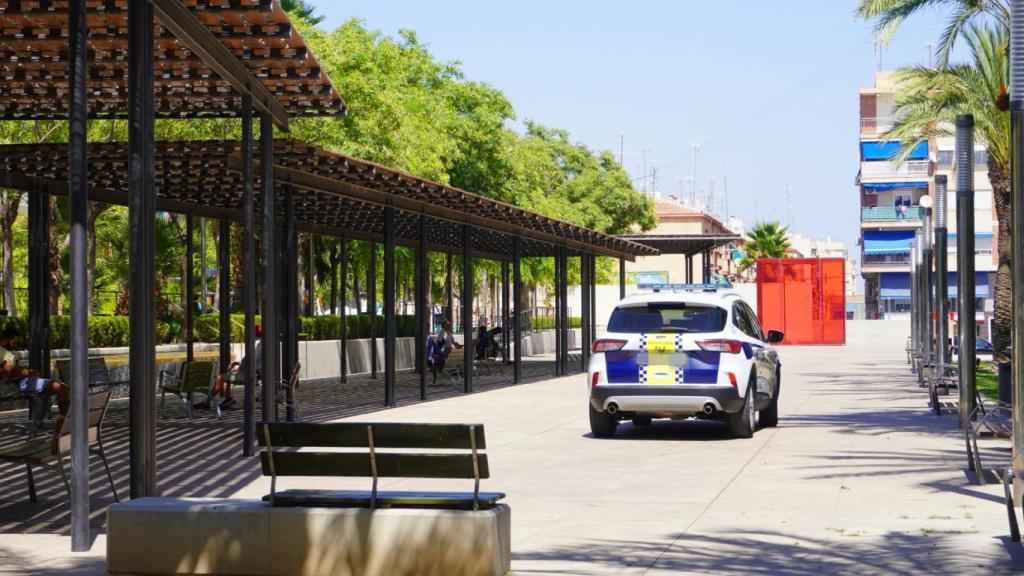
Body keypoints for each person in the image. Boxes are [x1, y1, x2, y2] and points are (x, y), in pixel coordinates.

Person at [0, 327, 69, 423]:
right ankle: (63, 421)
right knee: (62, 389)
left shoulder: (7, 352)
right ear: (6, 339)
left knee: (64, 388)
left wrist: (27, 372)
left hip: (27, 380)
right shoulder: (1, 352)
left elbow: (14, 369)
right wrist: (29, 372)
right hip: (24, 382)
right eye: (14, 342)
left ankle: (64, 419)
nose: (15, 345)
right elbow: (10, 370)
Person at [201, 325, 263, 411]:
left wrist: (238, 368)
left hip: (251, 375)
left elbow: (250, 362)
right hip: (257, 373)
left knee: (220, 378)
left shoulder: (256, 344)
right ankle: (229, 398)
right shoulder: (262, 344)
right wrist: (237, 364)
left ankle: (207, 402)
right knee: (226, 376)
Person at [426, 320, 455, 385]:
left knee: (433, 361)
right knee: (434, 361)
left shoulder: (446, 332)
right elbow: (440, 343)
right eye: (446, 325)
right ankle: (436, 378)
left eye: (448, 325)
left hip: (444, 356)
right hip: (445, 355)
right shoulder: (445, 332)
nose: (448, 326)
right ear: (442, 326)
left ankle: (435, 379)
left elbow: (439, 343)